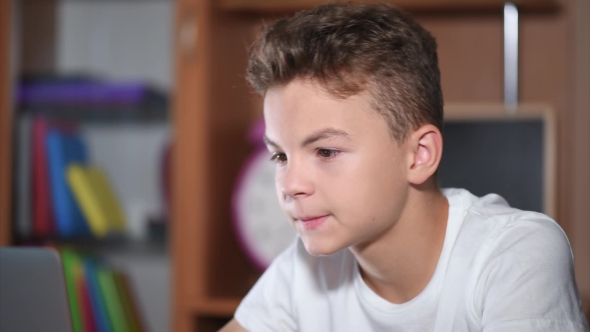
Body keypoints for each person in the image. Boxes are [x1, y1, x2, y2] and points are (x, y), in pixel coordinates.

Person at [221, 3, 589, 331]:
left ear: (419, 155)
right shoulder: (302, 271)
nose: (290, 185)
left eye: (326, 151)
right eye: (280, 156)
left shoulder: (514, 254)